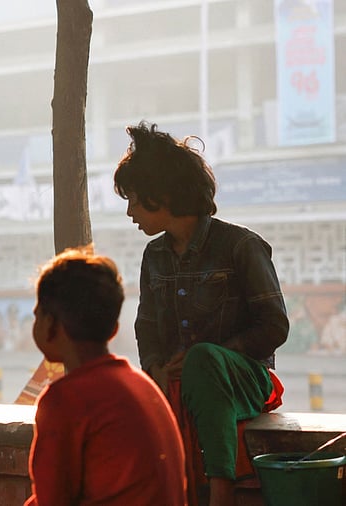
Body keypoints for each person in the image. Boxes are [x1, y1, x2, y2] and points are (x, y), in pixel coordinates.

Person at [113, 122, 288, 506]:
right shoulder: (153, 256)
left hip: (245, 379)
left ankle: (220, 490)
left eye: (135, 200)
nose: (129, 212)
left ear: (161, 196)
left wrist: (208, 356)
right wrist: (157, 368)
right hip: (177, 383)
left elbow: (275, 326)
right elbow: (147, 329)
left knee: (204, 359)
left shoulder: (241, 246)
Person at [25, 247, 186, 506]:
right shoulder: (141, 384)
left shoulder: (64, 400)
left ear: (51, 324)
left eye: (37, 314)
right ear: (113, 329)